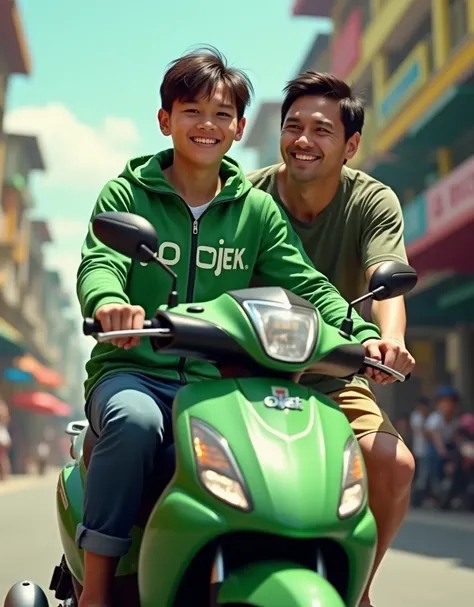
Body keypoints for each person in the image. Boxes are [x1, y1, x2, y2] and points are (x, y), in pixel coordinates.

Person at [76, 49, 387, 607]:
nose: (207, 126)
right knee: (137, 422)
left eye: (222, 115)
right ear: (165, 120)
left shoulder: (256, 212)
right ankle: (97, 591)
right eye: (192, 111)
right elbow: (101, 261)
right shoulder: (128, 193)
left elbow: (307, 284)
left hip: (217, 382)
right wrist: (110, 304)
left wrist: (359, 332)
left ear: (240, 128)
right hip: (132, 370)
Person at [247, 71, 416, 607]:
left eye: (322, 129)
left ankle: (357, 588)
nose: (303, 140)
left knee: (393, 464)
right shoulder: (247, 196)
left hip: (333, 373)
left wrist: (389, 341)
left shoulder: (371, 200)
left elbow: (384, 274)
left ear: (351, 145)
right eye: (292, 126)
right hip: (240, 374)